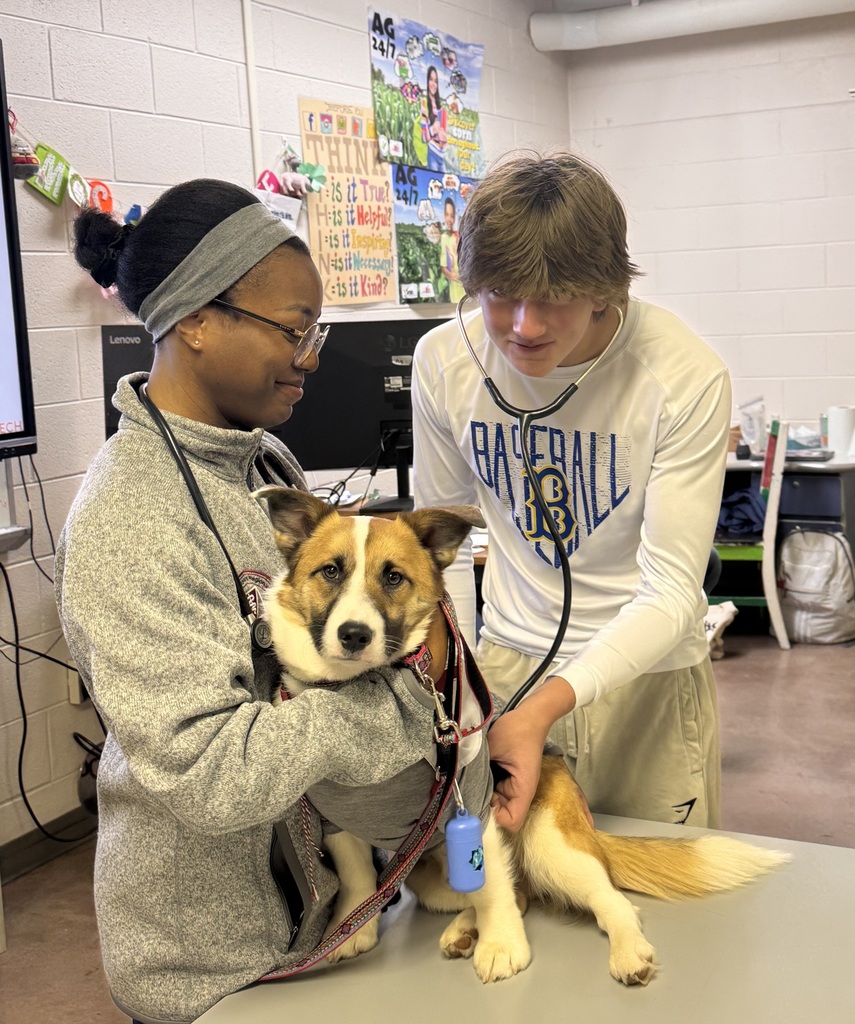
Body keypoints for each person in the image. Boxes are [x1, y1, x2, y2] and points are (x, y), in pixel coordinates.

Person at [57, 180, 444, 1024]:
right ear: (195, 320)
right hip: (213, 964)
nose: (310, 356)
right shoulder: (130, 517)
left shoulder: (260, 461)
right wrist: (408, 713)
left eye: (317, 331)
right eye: (292, 329)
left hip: (316, 921)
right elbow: (207, 774)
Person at [411, 150, 732, 833]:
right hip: (504, 661)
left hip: (644, 677)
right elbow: (435, 546)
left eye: (553, 298)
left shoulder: (682, 376)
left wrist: (545, 707)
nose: (524, 326)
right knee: (503, 887)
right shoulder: (442, 362)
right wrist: (458, 683)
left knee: (661, 899)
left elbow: (674, 590)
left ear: (605, 289)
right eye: (499, 294)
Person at [421, 64, 447, 171]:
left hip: (442, 155)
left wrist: (444, 138)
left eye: (436, 81)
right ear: (427, 81)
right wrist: (432, 130)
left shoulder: (442, 110)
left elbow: (445, 139)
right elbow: (423, 137)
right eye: (431, 80)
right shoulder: (424, 105)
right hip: (432, 153)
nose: (433, 84)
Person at [439, 196, 465, 304]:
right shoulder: (444, 238)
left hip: (469, 294)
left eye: (452, 216)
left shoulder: (463, 236)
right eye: (447, 215)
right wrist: (454, 276)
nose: (449, 219)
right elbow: (444, 268)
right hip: (454, 293)